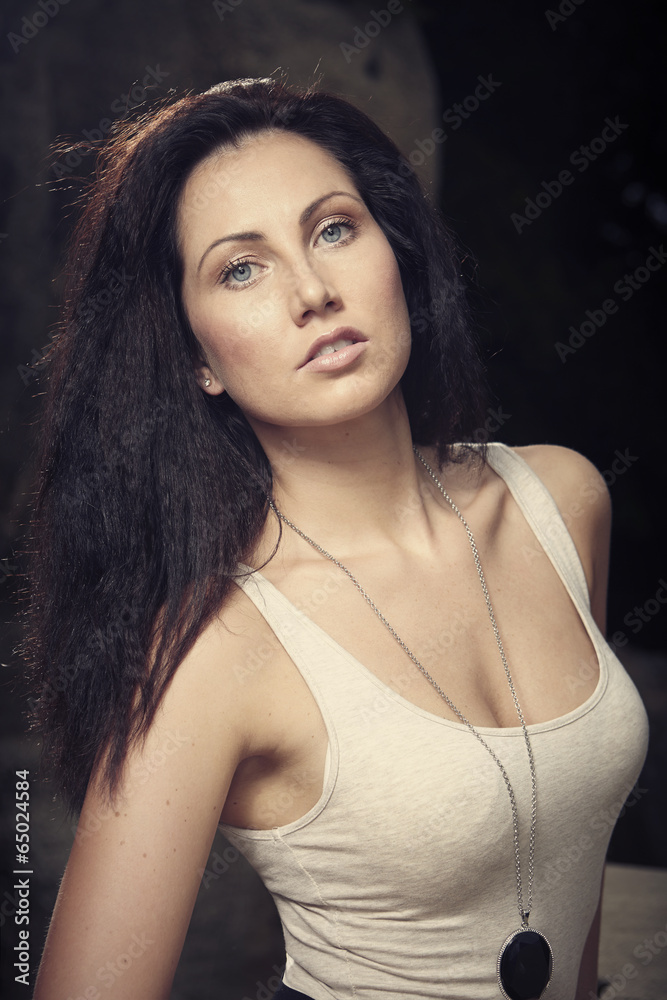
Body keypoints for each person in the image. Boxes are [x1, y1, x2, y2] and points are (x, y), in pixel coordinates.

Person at [26, 77, 648, 1000]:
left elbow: (566, 855)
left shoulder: (559, 499)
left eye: (332, 229)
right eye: (241, 268)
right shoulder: (213, 648)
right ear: (196, 359)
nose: (312, 291)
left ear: (392, 250)